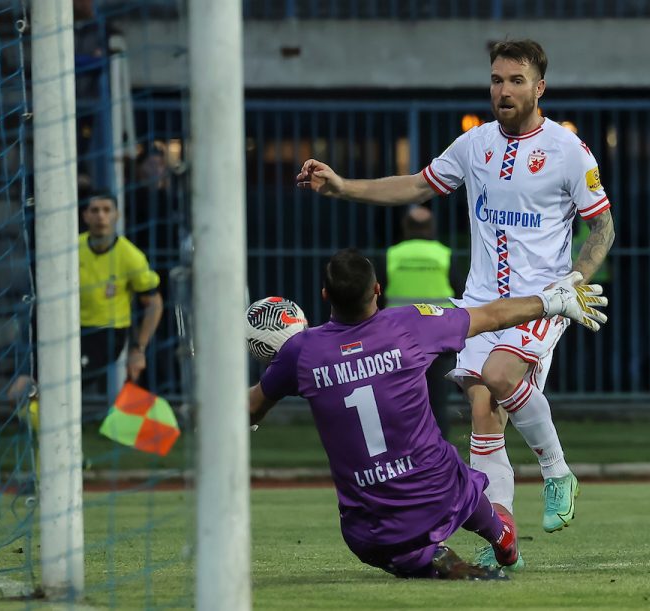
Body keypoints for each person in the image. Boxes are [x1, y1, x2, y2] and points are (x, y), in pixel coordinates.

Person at [295, 39, 616, 565]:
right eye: (496, 80)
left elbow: (602, 225)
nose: (503, 90)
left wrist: (573, 284)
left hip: (542, 299)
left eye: (516, 81)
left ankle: (557, 470)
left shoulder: (568, 151)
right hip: (481, 300)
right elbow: (416, 186)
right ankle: (501, 540)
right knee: (482, 413)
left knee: (500, 374)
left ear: (539, 88)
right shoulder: (474, 145)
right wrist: (342, 187)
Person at [248, 249, 608, 579]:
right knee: (461, 483)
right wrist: (552, 302)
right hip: (439, 491)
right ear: (377, 290)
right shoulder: (409, 323)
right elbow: (493, 315)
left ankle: (425, 558)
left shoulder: (301, 352)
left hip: (367, 528)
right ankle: (502, 538)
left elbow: (251, 408)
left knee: (391, 545)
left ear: (325, 295)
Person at [383, 205, 462, 439]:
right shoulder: (444, 255)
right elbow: (460, 295)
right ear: (432, 228)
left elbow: (377, 296)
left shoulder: (392, 255)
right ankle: (439, 447)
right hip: (439, 338)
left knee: (401, 399)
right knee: (437, 400)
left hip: (399, 338)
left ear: (405, 227)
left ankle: (403, 448)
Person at [79, 191, 163, 408]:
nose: (101, 216)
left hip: (107, 333)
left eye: (107, 210)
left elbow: (154, 303)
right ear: (85, 216)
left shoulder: (130, 256)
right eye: (95, 210)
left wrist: (138, 349)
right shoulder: (72, 250)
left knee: (63, 383)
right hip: (69, 330)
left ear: (117, 215)